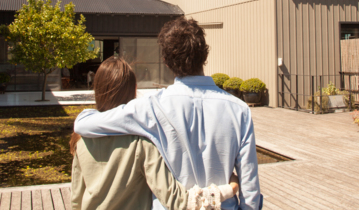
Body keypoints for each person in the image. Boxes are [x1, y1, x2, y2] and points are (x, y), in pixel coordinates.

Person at [75, 17, 261, 210]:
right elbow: (250, 192)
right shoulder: (239, 110)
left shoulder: (152, 107)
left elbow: (83, 124)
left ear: (165, 61)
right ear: (205, 54)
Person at [70, 56, 239, 210]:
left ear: (96, 90)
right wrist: (229, 189)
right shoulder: (140, 143)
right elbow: (178, 201)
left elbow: (76, 201)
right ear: (134, 89)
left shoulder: (80, 140)